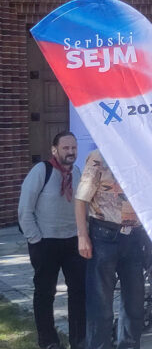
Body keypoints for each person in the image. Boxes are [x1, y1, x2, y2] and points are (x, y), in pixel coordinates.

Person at [18, 131, 86, 349]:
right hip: (45, 242)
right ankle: (48, 341)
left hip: (72, 241)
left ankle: (79, 339)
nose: (71, 152)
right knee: (45, 293)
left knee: (78, 292)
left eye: (73, 148)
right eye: (66, 148)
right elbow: (24, 209)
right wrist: (35, 239)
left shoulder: (77, 172)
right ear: (54, 150)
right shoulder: (41, 171)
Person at [75, 149, 145, 349]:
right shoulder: (99, 155)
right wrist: (82, 236)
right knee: (100, 304)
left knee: (134, 304)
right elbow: (81, 199)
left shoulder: (142, 154)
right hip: (104, 235)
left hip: (134, 235)